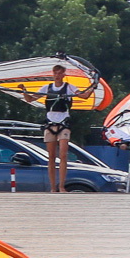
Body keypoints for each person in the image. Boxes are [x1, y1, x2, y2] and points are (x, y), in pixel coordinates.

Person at [36, 64, 76, 194]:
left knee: (63, 155)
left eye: (60, 73)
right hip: (50, 124)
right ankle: (53, 187)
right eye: (55, 73)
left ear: (64, 74)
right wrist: (23, 91)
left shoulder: (69, 87)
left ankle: (62, 186)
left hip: (63, 124)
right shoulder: (47, 88)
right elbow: (31, 98)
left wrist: (92, 87)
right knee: (51, 156)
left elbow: (84, 96)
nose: (57, 76)